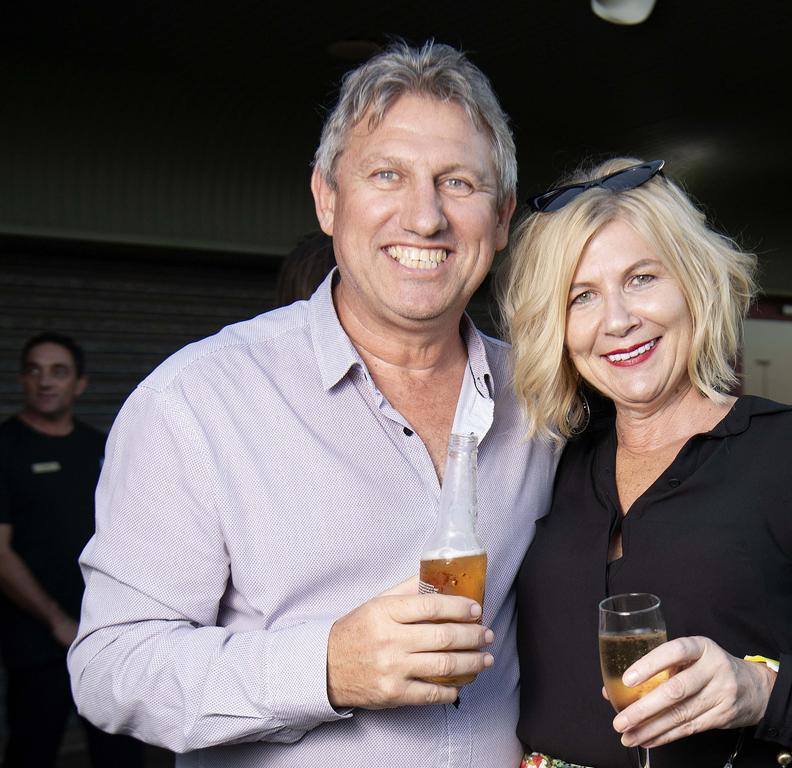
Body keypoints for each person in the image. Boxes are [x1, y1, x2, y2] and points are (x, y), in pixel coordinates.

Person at [68, 41, 557, 766]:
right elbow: (110, 669)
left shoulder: (544, 404)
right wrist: (325, 668)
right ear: (327, 198)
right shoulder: (197, 402)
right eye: (386, 175)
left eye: (457, 183)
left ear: (504, 216)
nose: (424, 218)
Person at [500, 158, 792, 768]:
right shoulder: (552, 465)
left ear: (694, 281)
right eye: (583, 296)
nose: (618, 320)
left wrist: (759, 688)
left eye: (643, 278)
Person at [0, 333, 144, 767]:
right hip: (39, 638)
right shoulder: (5, 447)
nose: (46, 381)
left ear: (79, 384)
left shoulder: (98, 447)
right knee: (33, 746)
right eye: (35, 370)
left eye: (58, 371)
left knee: (119, 752)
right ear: (22, 380)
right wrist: (58, 621)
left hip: (108, 633)